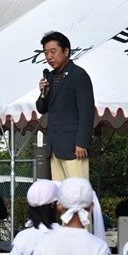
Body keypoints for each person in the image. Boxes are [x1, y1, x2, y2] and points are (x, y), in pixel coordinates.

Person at [34, 31, 95, 181]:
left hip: (74, 147)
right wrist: (44, 92)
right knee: (60, 195)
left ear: (66, 51)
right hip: (55, 147)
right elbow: (41, 108)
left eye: (53, 52)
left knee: (77, 194)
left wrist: (82, 143)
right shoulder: (50, 76)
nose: (49, 57)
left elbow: (86, 112)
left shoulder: (78, 75)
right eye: (46, 53)